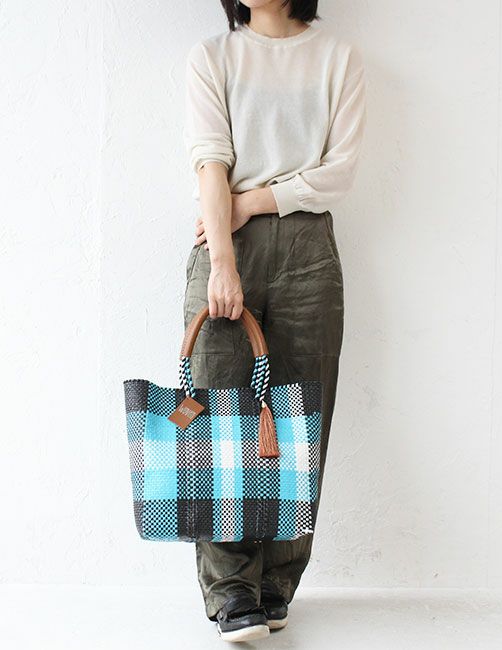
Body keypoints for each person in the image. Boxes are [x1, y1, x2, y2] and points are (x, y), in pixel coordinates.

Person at [182, 0, 367, 641]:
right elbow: (210, 161)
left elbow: (338, 173)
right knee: (214, 419)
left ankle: (275, 583)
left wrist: (253, 201)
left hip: (308, 247)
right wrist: (223, 261)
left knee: (296, 421)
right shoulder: (214, 57)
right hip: (225, 245)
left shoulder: (337, 57)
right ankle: (231, 590)